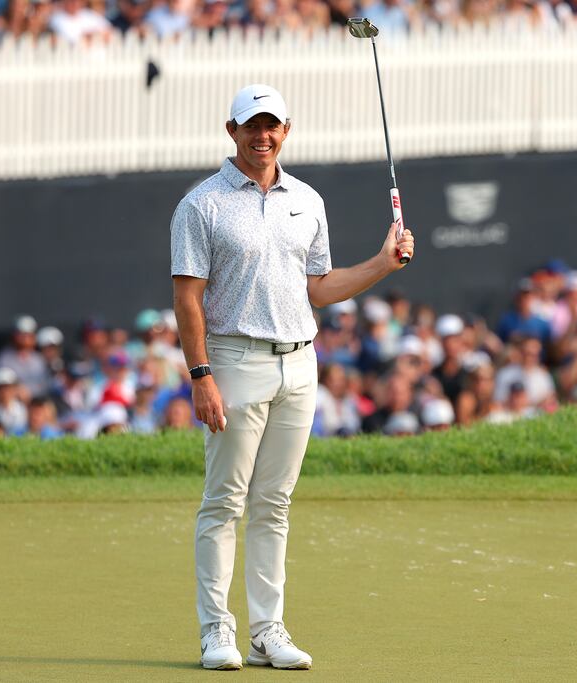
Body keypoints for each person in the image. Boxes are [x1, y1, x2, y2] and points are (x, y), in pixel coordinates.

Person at [170, 83, 414, 671]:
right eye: (252, 126)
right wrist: (201, 375)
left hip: (299, 363)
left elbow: (318, 288)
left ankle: (266, 631)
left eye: (272, 125)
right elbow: (187, 299)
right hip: (233, 359)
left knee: (274, 503)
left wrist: (382, 264)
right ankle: (215, 632)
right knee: (224, 501)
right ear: (231, 131)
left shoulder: (307, 199)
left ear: (287, 129)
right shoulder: (201, 205)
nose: (263, 135)